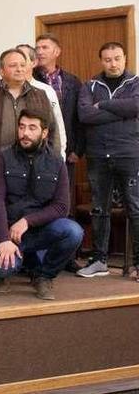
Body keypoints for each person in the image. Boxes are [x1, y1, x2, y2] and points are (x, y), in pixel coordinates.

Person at [0, 109, 82, 300]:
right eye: (22, 127)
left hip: (40, 230)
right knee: (3, 269)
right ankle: (20, 264)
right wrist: (4, 239)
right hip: (7, 231)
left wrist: (28, 221)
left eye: (32, 128)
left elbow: (62, 206)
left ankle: (44, 276)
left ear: (44, 132)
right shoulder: (1, 156)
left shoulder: (56, 162)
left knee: (73, 232)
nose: (25, 133)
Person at [77, 42, 139, 280]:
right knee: (99, 209)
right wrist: (120, 113)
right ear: (101, 61)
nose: (113, 63)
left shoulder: (135, 83)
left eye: (117, 58)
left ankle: (138, 264)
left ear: (125, 58)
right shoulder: (89, 85)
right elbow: (84, 114)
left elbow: (134, 106)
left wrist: (102, 105)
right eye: (107, 59)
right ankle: (99, 260)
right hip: (98, 156)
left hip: (129, 155)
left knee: (135, 208)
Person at [0, 49, 60, 163]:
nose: (19, 69)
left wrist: (53, 162)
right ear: (1, 71)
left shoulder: (40, 96)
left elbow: (53, 132)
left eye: (22, 65)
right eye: (13, 65)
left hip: (34, 166)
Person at [32, 35, 83, 193]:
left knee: (63, 192)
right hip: (36, 146)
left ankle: (65, 218)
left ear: (57, 51)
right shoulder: (30, 79)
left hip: (66, 148)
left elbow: (79, 117)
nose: (39, 52)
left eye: (44, 47)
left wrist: (78, 149)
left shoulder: (72, 81)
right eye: (37, 48)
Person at [15, 44, 68, 160]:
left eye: (23, 59)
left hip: (41, 156)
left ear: (34, 63)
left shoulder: (46, 91)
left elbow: (57, 125)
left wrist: (60, 155)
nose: (19, 64)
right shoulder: (8, 90)